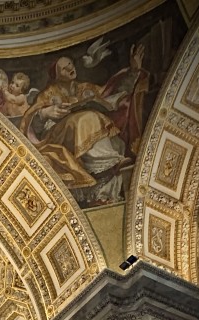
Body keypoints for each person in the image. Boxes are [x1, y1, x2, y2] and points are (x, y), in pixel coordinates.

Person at [21, 46, 148, 204]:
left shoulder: (84, 88)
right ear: (56, 74)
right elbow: (31, 124)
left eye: (70, 64)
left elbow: (112, 94)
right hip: (56, 136)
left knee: (93, 117)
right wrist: (45, 113)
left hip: (86, 126)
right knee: (83, 118)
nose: (70, 68)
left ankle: (110, 164)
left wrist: (134, 71)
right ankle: (108, 160)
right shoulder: (48, 93)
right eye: (64, 67)